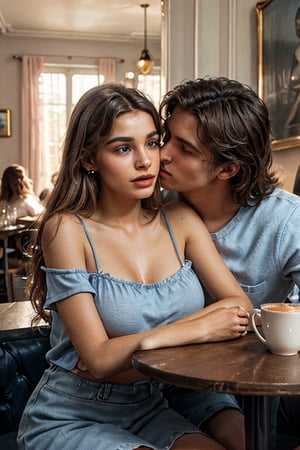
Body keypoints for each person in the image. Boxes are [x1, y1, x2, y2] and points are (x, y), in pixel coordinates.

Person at [17, 83, 252, 450]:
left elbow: (240, 307)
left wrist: (135, 344)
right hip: (74, 411)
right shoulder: (66, 230)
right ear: (89, 159)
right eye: (123, 148)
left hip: (150, 403)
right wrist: (197, 327)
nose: (145, 161)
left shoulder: (181, 220)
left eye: (153, 142)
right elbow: (97, 359)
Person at [159, 76, 300, 450]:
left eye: (184, 148)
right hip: (149, 380)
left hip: (242, 393)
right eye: (166, 136)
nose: (162, 154)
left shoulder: (285, 222)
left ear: (228, 168)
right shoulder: (150, 207)